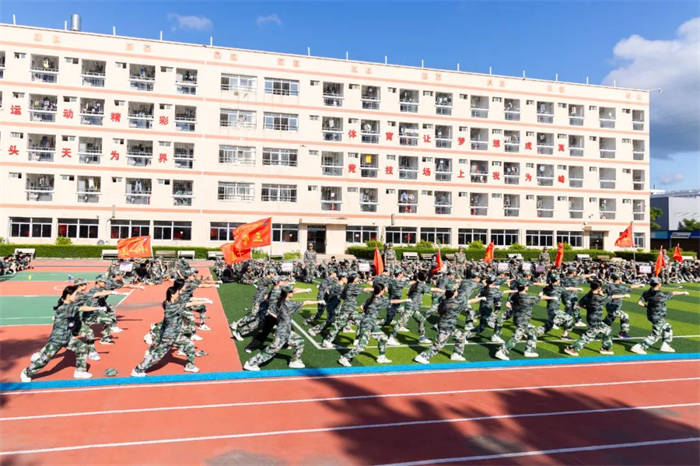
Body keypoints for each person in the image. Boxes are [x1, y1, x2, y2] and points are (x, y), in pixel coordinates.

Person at [21, 285, 104, 382]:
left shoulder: (69, 305)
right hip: (57, 339)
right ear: (68, 295)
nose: (77, 296)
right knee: (44, 360)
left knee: (82, 347)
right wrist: (97, 308)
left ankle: (80, 371)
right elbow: (81, 308)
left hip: (67, 337)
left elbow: (78, 306)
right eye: (75, 294)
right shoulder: (65, 308)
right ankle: (26, 372)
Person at [244, 283, 323, 370]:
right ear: (287, 294)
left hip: (286, 330)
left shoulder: (277, 301)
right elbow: (306, 302)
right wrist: (318, 301)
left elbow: (270, 310)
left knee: (300, 341)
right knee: (272, 349)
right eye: (291, 291)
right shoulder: (290, 304)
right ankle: (251, 363)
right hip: (282, 332)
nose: (293, 292)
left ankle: (294, 361)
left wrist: (280, 317)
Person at [132, 285, 204, 376]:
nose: (179, 295)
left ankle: (190, 366)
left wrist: (202, 300)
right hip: (169, 336)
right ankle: (138, 369)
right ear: (172, 295)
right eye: (177, 293)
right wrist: (204, 301)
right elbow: (188, 304)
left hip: (175, 334)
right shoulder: (170, 306)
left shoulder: (175, 303)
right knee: (157, 357)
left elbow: (188, 301)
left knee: (189, 344)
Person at [338, 283, 410, 366]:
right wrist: (405, 300)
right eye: (384, 289)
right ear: (381, 291)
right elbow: (392, 301)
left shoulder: (371, 299)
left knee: (383, 338)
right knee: (361, 346)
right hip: (367, 325)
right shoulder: (378, 300)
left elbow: (362, 307)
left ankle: (381, 357)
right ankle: (345, 358)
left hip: (371, 324)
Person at [414, 283, 485, 363]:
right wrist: (481, 298)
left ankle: (456, 354)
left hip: (448, 325)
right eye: (456, 290)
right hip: (446, 327)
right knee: (438, 346)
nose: (457, 291)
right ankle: (422, 356)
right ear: (453, 293)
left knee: (461, 337)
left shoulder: (444, 301)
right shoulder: (456, 303)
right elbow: (470, 301)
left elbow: (439, 311)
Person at [563, 281, 630, 356]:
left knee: (608, 330)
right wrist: (624, 295)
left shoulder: (588, 295)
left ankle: (605, 348)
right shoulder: (598, 297)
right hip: (595, 320)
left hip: (592, 318)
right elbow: (612, 297)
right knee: (589, 336)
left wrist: (588, 308)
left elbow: (579, 304)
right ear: (599, 288)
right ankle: (572, 348)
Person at [630, 277, 689, 354]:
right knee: (655, 335)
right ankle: (639, 347)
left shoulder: (646, 293)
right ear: (658, 284)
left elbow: (639, 303)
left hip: (651, 315)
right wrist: (684, 292)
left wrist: (647, 306)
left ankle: (665, 345)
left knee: (667, 327)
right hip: (658, 317)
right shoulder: (662, 294)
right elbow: (673, 293)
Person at [494, 281, 541, 360]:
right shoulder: (527, 297)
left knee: (532, 332)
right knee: (516, 337)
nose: (528, 287)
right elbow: (537, 299)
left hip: (517, 318)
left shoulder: (515, 295)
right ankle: (502, 351)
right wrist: (542, 294)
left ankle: (529, 351)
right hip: (523, 320)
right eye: (527, 286)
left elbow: (508, 304)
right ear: (524, 287)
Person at [603, 273, 644, 338]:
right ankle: (623, 333)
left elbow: (602, 292)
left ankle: (599, 329)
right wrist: (640, 285)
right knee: (625, 316)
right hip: (614, 307)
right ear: (619, 279)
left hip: (608, 305)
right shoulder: (621, 287)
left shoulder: (608, 286)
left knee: (610, 318)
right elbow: (631, 287)